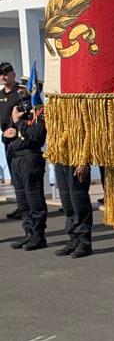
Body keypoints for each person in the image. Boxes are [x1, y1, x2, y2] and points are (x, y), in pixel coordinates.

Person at [2, 93, 47, 249]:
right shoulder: (16, 115)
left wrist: (18, 122)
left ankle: (38, 235)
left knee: (34, 198)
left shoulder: (40, 115)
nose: (24, 104)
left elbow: (34, 136)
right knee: (22, 201)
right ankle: (28, 232)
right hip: (15, 158)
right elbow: (6, 135)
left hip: (30, 158)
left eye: (26, 100)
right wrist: (10, 130)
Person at [0, 63, 26, 221]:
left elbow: (28, 114)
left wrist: (17, 129)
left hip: (19, 139)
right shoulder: (1, 94)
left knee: (23, 175)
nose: (3, 77)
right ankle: (21, 205)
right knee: (14, 175)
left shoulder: (21, 92)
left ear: (13, 74)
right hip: (6, 140)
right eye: (0, 74)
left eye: (5, 73)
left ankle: (27, 206)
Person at [54, 162, 93, 258]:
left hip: (76, 159)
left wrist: (83, 162)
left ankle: (84, 243)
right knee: (67, 203)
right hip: (61, 159)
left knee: (79, 202)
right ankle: (74, 240)